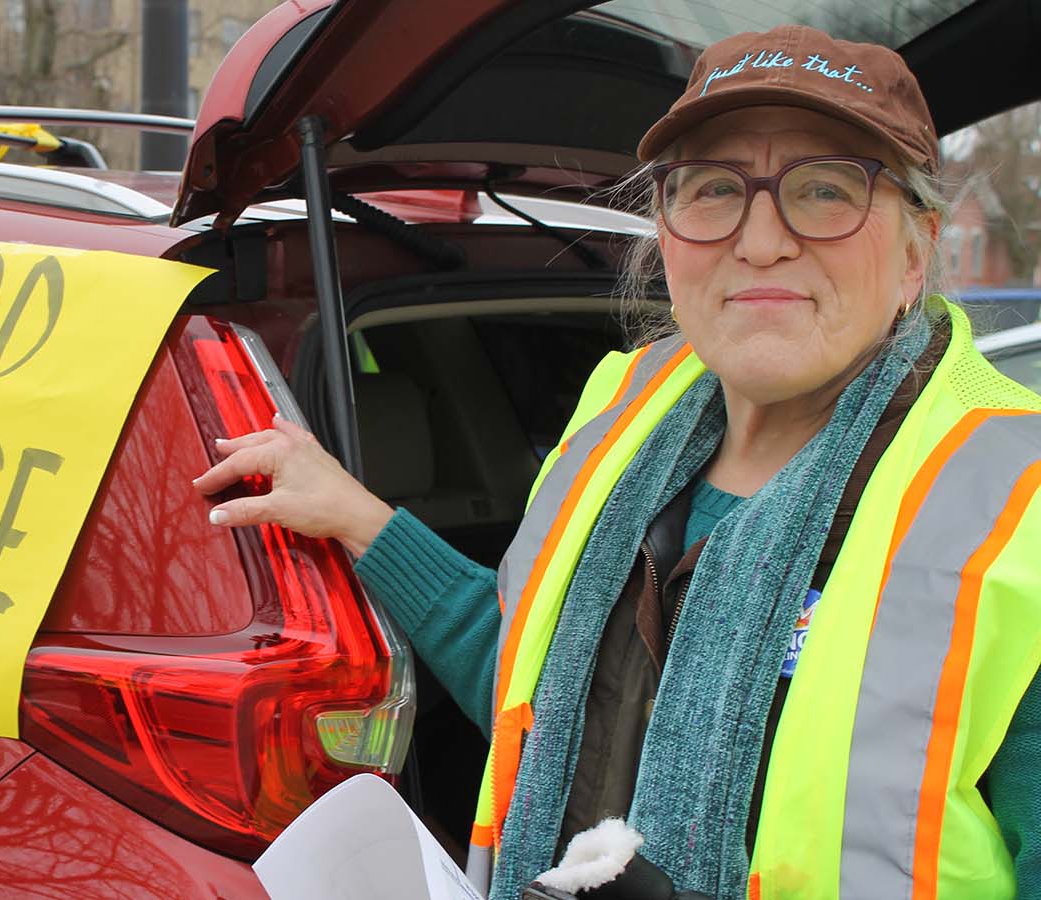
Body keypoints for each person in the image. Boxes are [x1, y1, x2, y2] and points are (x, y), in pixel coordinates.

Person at [192, 24, 1041, 900]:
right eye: (713, 188)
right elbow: (545, 698)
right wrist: (357, 518)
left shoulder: (1017, 506)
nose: (759, 241)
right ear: (665, 234)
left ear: (915, 251)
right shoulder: (628, 409)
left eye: (826, 190)